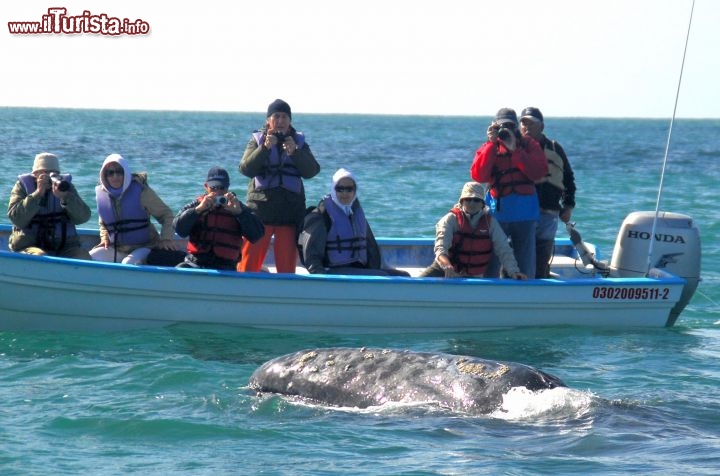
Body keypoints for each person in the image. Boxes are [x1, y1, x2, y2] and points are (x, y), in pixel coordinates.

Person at [238, 99, 320, 273]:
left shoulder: (299, 142)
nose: (281, 121)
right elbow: (245, 169)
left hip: (290, 215)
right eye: (276, 116)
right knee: (248, 267)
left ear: (290, 121)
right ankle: (243, 294)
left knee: (286, 270)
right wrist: (265, 148)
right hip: (260, 214)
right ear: (268, 120)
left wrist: (295, 153)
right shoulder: (257, 140)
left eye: (285, 117)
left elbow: (312, 171)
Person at [470, 108, 548, 279]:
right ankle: (490, 292)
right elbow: (479, 175)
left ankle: (524, 295)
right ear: (494, 127)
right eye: (502, 126)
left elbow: (538, 173)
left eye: (510, 126)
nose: (506, 129)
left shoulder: (529, 145)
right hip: (498, 214)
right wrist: (491, 144)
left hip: (525, 214)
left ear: (516, 127)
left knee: (525, 262)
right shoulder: (488, 147)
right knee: (492, 260)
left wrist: (516, 151)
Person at [298, 168, 410, 276]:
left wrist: (377, 270)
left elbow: (372, 249)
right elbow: (312, 257)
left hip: (357, 269)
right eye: (340, 189)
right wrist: (323, 282)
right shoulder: (321, 216)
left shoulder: (355, 212)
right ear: (333, 189)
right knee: (382, 276)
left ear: (355, 190)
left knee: (403, 276)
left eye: (349, 189)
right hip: (332, 272)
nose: (344, 193)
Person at [419, 182, 526, 280]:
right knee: (419, 283)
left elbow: (504, 249)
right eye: (468, 199)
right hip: (444, 270)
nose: (472, 203)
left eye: (476, 200)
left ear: (482, 203)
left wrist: (514, 272)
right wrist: (446, 265)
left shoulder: (490, 223)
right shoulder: (450, 219)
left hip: (474, 276)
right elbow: (440, 248)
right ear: (462, 201)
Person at [519, 107, 577, 278]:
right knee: (517, 255)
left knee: (542, 257)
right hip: (521, 214)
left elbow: (568, 178)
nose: (527, 127)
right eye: (523, 123)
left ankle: (540, 290)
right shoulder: (515, 147)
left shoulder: (555, 148)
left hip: (549, 212)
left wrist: (568, 205)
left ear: (541, 126)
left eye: (531, 123)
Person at [90, 154, 176, 264]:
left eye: (119, 172)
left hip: (146, 246)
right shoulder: (102, 194)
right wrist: (105, 238)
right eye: (110, 173)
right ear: (104, 176)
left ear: (126, 173)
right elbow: (103, 223)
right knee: (91, 257)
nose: (115, 176)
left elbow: (167, 215)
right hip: (118, 248)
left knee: (128, 263)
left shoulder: (142, 192)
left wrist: (166, 239)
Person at [173, 166, 265, 271]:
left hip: (226, 266)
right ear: (206, 187)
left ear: (228, 188)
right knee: (178, 269)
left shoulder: (237, 207)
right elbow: (179, 229)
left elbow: (257, 235)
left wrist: (240, 214)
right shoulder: (197, 205)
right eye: (214, 188)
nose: (218, 192)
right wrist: (197, 210)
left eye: (222, 188)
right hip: (196, 263)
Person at [7, 152, 92, 259]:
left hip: (63, 246)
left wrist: (66, 198)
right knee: (40, 257)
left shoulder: (65, 187)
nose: (49, 178)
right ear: (35, 175)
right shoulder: (22, 186)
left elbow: (83, 217)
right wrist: (37, 194)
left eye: (54, 173)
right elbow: (16, 218)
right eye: (44, 173)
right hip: (29, 245)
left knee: (83, 256)